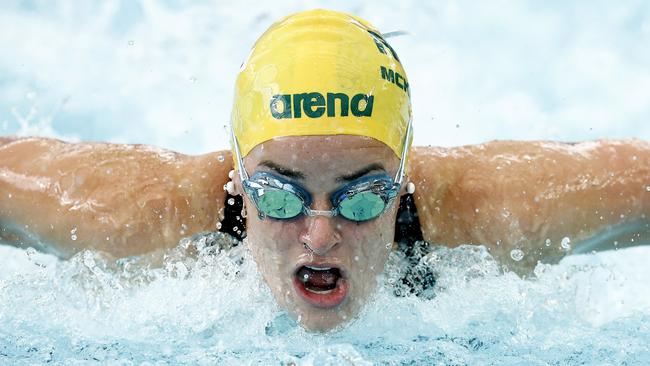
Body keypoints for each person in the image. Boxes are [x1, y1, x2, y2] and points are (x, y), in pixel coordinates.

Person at [0, 9, 649, 332]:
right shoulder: (130, 212)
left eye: (364, 197)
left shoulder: (495, 207)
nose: (318, 235)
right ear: (236, 172)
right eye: (279, 195)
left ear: (403, 176)